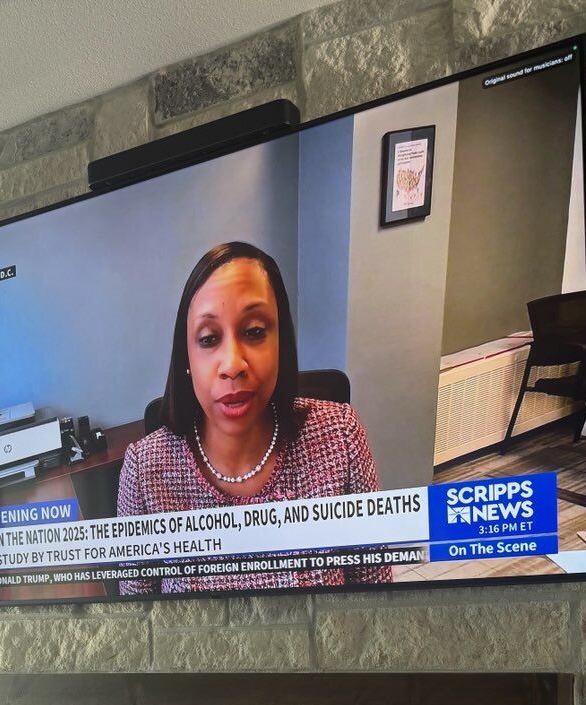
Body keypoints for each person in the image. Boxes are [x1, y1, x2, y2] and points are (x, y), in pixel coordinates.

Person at [117, 241, 391, 595]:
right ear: (186, 358)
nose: (232, 364)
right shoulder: (144, 472)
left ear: (282, 343)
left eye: (255, 332)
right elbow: (142, 627)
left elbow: (376, 597)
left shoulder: (340, 436)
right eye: (209, 338)